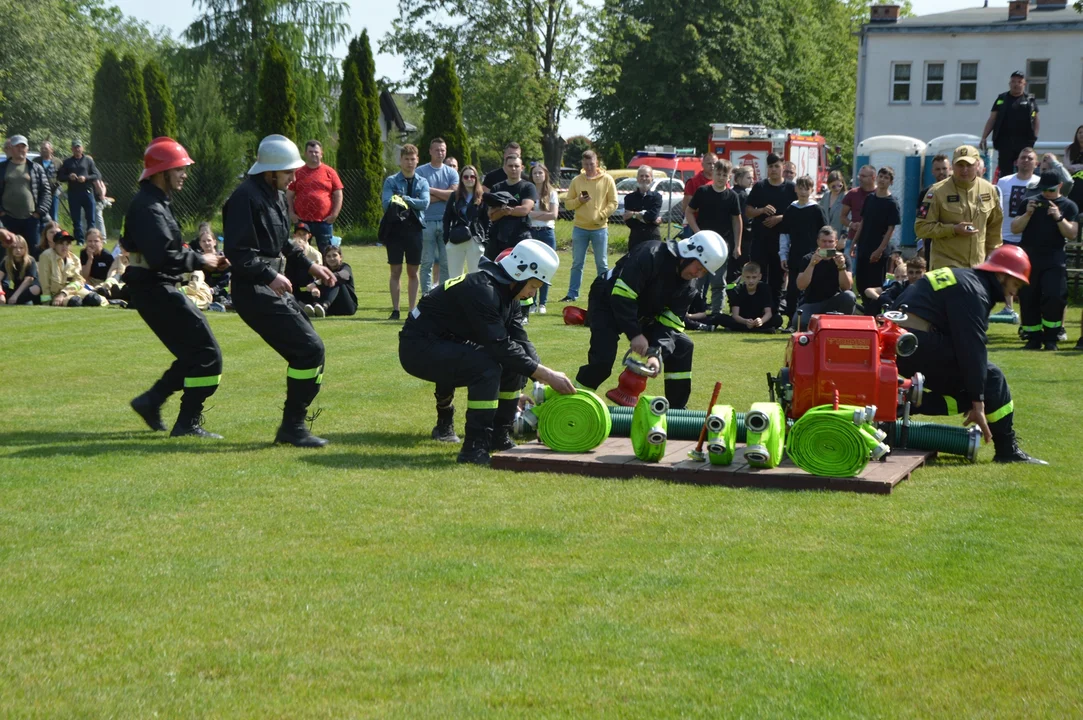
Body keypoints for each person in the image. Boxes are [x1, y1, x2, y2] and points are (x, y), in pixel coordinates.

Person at [399, 239, 576, 465]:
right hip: (418, 347)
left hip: (445, 343)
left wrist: (541, 381)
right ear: (520, 273)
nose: (532, 293)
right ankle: (474, 446)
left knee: (515, 362)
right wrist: (547, 375)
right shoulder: (484, 290)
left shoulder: (507, 294)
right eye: (534, 285)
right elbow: (499, 347)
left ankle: (498, 436)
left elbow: (520, 342)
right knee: (486, 366)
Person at [224, 134, 339, 447]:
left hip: (269, 287)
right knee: (309, 350)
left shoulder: (273, 194)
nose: (294, 177)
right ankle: (293, 427)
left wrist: (310, 265)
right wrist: (269, 276)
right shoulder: (244, 198)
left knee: (310, 350)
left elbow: (282, 241)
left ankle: (294, 425)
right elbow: (239, 252)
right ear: (270, 171)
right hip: (254, 291)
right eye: (288, 172)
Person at [894, 245, 1045, 464]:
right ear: (1002, 275)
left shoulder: (964, 278)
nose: (1016, 292)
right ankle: (1007, 450)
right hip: (914, 343)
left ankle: (904, 399)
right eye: (1016, 284)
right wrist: (979, 402)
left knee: (974, 384)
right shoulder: (974, 290)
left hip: (902, 342)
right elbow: (971, 347)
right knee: (991, 379)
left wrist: (976, 396)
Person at [122, 138, 227, 437]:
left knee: (195, 355)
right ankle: (186, 423)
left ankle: (151, 401)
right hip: (155, 290)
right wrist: (201, 259)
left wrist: (204, 259)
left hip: (156, 289)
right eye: (178, 168)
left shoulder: (155, 203)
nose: (184, 174)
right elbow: (162, 256)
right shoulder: (148, 207)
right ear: (160, 172)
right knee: (208, 355)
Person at [574, 231, 728, 410]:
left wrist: (657, 353)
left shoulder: (688, 288)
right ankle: (573, 403)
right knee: (602, 361)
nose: (698, 275)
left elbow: (671, 324)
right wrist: (635, 334)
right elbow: (622, 296)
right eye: (699, 268)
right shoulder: (650, 254)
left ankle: (677, 413)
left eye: (704, 272)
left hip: (644, 309)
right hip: (607, 300)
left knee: (683, 347)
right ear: (688, 253)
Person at [1012, 171, 1079, 351]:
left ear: (1059, 186)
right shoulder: (1029, 202)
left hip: (1054, 258)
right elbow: (1015, 228)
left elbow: (1072, 233)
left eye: (1050, 189)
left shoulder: (1069, 205)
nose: (1046, 193)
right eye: (1043, 189)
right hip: (1029, 257)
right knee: (1028, 297)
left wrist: (1058, 217)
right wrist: (1027, 214)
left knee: (1054, 296)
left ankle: (1051, 337)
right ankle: (1032, 337)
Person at [915, 145, 1002, 270]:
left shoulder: (989, 190)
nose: (964, 170)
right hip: (946, 267)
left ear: (978, 165)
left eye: (969, 165)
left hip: (977, 267)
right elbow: (921, 228)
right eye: (960, 165)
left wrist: (992, 260)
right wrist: (953, 229)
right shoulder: (936, 192)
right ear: (953, 166)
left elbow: (994, 229)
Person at [559, 151, 617, 302]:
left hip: (600, 228)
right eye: (586, 165)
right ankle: (572, 294)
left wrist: (601, 215)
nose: (589, 167)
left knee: (602, 263)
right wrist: (579, 200)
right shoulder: (577, 180)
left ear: (597, 162)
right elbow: (568, 204)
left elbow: (613, 203)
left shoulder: (607, 179)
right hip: (580, 228)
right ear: (582, 165)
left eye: (591, 164)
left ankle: (604, 293)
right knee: (577, 263)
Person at [687, 158, 743, 314]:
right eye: (718, 174)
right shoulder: (703, 191)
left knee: (718, 281)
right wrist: (697, 232)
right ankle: (692, 312)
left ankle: (716, 315)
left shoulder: (732, 196)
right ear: (713, 174)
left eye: (724, 175)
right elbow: (689, 212)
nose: (721, 178)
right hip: (702, 244)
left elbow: (737, 221)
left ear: (729, 177)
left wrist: (737, 245)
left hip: (721, 246)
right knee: (696, 279)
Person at [381, 144, 429, 320]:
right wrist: (409, 201)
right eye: (406, 159)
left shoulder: (422, 182)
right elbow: (386, 204)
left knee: (413, 272)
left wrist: (403, 199)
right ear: (400, 160)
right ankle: (395, 310)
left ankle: (411, 310)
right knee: (395, 271)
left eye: (412, 159)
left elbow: (425, 203)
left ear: (417, 161)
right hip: (394, 230)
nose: (409, 163)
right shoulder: (391, 181)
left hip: (415, 230)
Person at [746, 153, 797, 302]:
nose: (773, 169)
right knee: (757, 275)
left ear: (783, 167)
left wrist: (780, 218)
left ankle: (774, 311)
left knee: (778, 278)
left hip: (781, 242)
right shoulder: (760, 187)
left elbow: (797, 212)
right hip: (760, 240)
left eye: (776, 166)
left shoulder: (791, 188)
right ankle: (757, 308)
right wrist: (761, 210)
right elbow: (748, 211)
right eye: (770, 166)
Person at [779, 175, 829, 322]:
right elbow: (784, 234)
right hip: (795, 255)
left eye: (806, 188)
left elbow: (825, 233)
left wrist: (824, 253)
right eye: (800, 188)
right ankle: (792, 320)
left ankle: (812, 320)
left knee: (812, 290)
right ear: (795, 189)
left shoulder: (817, 210)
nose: (803, 191)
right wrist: (783, 255)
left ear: (812, 190)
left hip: (814, 256)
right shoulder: (791, 209)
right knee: (792, 290)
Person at [416, 137, 459, 294]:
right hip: (426, 222)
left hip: (446, 222)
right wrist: (444, 194)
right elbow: (421, 197)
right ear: (430, 151)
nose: (440, 153)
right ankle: (426, 295)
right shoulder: (420, 171)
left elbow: (453, 195)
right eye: (437, 150)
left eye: (443, 150)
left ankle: (443, 295)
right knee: (426, 261)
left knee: (446, 262)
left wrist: (431, 190)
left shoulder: (451, 172)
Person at [689, 261, 781, 333]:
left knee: (777, 319)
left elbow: (768, 313)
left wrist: (761, 321)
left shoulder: (764, 288)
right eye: (748, 277)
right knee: (719, 317)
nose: (751, 281)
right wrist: (745, 322)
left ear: (759, 277)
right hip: (742, 320)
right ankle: (760, 330)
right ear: (743, 277)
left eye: (754, 277)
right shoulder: (737, 289)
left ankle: (757, 328)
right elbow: (735, 315)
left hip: (758, 320)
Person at [792, 226, 856, 330]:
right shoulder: (808, 258)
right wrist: (812, 264)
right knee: (799, 323)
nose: (827, 245)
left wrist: (841, 267)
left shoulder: (843, 258)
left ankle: (841, 328)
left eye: (830, 242)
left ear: (835, 242)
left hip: (835, 303)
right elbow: (800, 286)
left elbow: (847, 287)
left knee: (849, 296)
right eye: (824, 241)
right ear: (818, 241)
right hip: (812, 303)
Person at [286, 140, 343, 253]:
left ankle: (327, 271)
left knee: (327, 253)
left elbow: (338, 194)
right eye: (310, 152)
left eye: (316, 152)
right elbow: (289, 195)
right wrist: (291, 213)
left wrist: (334, 214)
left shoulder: (330, 172)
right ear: (305, 154)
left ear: (321, 153)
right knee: (300, 252)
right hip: (302, 220)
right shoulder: (297, 173)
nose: (314, 154)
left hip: (324, 221)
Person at [980, 71, 1039, 179]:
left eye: (1019, 82)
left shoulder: (1030, 100)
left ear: (1024, 84)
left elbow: (1035, 119)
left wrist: (1034, 138)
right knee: (1005, 172)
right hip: (1005, 143)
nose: (1016, 84)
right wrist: (984, 137)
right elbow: (992, 118)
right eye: (1013, 81)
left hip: (1024, 143)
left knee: (1024, 170)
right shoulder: (1001, 99)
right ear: (1009, 83)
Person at [852, 167, 901, 297]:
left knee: (874, 285)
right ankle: (864, 313)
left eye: (886, 178)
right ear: (877, 178)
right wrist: (854, 242)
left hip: (878, 251)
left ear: (891, 182)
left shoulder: (892, 203)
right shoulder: (870, 198)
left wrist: (879, 250)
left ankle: (875, 313)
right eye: (881, 176)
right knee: (861, 284)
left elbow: (891, 229)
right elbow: (863, 221)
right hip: (863, 247)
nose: (882, 180)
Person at [0, 135, 51, 251]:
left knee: (34, 254)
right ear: (11, 148)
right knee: (6, 255)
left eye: (23, 146)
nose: (20, 149)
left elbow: (46, 192)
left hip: (31, 220)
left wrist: (39, 213)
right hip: (7, 219)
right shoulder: (2, 168)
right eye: (17, 146)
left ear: (27, 149)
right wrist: (1, 213)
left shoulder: (36, 168)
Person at [486, 154, 538, 260]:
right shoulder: (497, 188)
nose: (513, 169)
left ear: (522, 168)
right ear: (505, 168)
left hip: (520, 236)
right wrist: (509, 210)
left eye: (516, 166)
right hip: (498, 238)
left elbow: (524, 210)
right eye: (510, 166)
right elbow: (491, 215)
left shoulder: (528, 187)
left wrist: (504, 211)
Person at [37, 230, 106, 306]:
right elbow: (44, 282)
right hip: (55, 294)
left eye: (67, 244)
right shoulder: (46, 256)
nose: (64, 247)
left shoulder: (75, 259)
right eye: (61, 243)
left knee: (95, 299)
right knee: (75, 302)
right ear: (54, 245)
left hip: (71, 291)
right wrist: (47, 302)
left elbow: (79, 281)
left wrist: (64, 293)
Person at [443, 165, 486, 277]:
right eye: (465, 177)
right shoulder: (454, 196)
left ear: (476, 178)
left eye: (472, 176)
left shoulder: (482, 197)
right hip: (456, 238)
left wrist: (484, 239)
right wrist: (446, 239)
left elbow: (486, 220)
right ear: (461, 179)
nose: (469, 179)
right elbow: (447, 218)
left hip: (475, 239)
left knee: (476, 275)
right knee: (454, 277)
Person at [528, 163, 559, 313]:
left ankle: (542, 303)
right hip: (532, 232)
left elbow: (553, 215)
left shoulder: (552, 192)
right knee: (532, 268)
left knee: (546, 268)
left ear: (545, 174)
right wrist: (542, 215)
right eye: (535, 173)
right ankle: (532, 302)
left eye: (540, 173)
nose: (538, 176)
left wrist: (534, 214)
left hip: (547, 233)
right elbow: (526, 213)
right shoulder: (528, 191)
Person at [58, 139, 100, 245]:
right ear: (72, 149)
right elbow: (60, 176)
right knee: (76, 219)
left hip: (87, 192)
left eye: (79, 147)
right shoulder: (67, 162)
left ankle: (92, 240)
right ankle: (80, 240)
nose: (77, 149)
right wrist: (69, 177)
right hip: (74, 193)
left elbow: (97, 175)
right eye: (75, 147)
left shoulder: (88, 161)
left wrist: (85, 178)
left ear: (82, 148)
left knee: (91, 218)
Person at [916, 154, 952, 266]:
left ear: (950, 169)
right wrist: (921, 245)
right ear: (932, 171)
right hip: (933, 242)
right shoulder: (926, 193)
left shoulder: (959, 191)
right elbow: (921, 219)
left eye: (944, 168)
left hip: (954, 241)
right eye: (938, 169)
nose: (941, 172)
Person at [286, 222, 324, 316]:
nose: (301, 236)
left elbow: (318, 275)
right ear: (294, 235)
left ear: (309, 235)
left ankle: (314, 305)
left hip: (310, 285)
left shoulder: (315, 254)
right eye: (299, 234)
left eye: (304, 234)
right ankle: (303, 306)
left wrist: (314, 285)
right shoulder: (288, 252)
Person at [623, 165, 663, 253]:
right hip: (635, 238)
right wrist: (647, 217)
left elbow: (652, 216)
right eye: (641, 176)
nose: (644, 178)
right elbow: (630, 222)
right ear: (637, 178)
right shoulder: (629, 198)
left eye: (647, 176)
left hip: (653, 238)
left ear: (652, 178)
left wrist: (634, 214)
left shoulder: (657, 197)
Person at [841, 165, 876, 258]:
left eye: (863, 176)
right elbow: (842, 217)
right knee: (848, 270)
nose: (860, 178)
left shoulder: (880, 195)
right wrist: (851, 224)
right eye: (859, 176)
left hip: (873, 241)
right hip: (852, 239)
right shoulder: (852, 193)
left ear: (873, 178)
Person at [314, 245, 356, 317]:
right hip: (332, 308)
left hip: (347, 306)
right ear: (325, 259)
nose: (332, 258)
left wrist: (321, 280)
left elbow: (343, 275)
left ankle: (324, 306)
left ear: (340, 257)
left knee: (336, 281)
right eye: (328, 256)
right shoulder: (323, 270)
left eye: (335, 255)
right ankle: (315, 307)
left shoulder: (345, 267)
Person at [1, 234, 41, 304]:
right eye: (15, 247)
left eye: (21, 248)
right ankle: (10, 300)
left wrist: (15, 296)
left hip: (26, 290)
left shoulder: (30, 261)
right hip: (14, 289)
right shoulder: (6, 261)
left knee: (35, 289)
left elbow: (28, 280)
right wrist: (1, 294)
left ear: (25, 249)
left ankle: (13, 300)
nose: (18, 250)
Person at [34, 141, 61, 221]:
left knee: (54, 217)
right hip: (39, 193)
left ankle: (54, 232)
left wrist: (57, 184)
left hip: (54, 192)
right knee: (39, 214)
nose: (43, 150)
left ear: (51, 150)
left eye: (45, 148)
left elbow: (62, 176)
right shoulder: (36, 161)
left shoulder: (58, 161)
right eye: (42, 148)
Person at [819, 171, 848, 241]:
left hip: (840, 238)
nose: (837, 188)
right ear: (828, 185)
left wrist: (844, 237)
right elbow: (820, 214)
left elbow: (849, 218)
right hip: (825, 239)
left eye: (840, 186)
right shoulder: (825, 196)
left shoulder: (846, 197)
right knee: (825, 252)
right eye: (833, 186)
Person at [1064, 125, 1083, 211]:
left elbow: (1071, 167)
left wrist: (1075, 167)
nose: (1082, 134)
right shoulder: (1070, 149)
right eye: (1080, 132)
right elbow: (1067, 167)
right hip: (1072, 184)